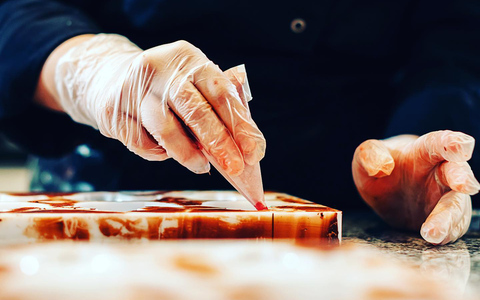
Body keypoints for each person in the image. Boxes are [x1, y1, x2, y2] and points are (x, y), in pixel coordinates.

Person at [0, 0, 479, 245]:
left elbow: (453, 35)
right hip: (108, 187)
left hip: (351, 199)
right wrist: (89, 69)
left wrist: (420, 139)